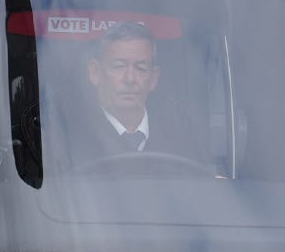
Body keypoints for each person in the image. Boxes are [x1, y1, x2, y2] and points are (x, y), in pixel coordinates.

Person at [60, 20, 210, 168]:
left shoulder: (181, 134)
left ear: (153, 78)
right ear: (95, 72)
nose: (130, 79)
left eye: (141, 68)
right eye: (118, 66)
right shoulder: (66, 136)